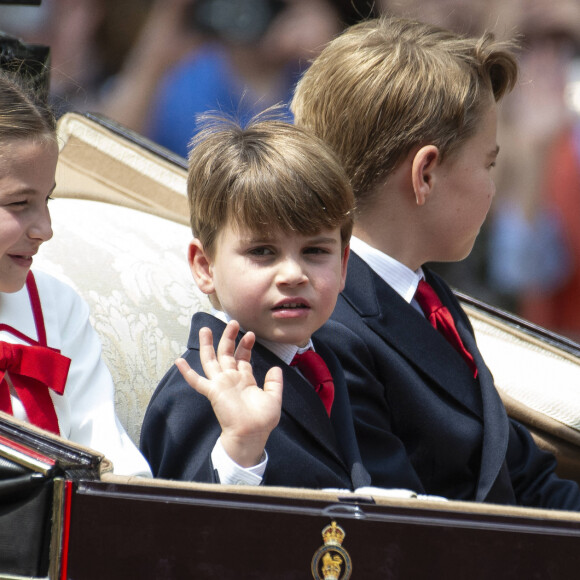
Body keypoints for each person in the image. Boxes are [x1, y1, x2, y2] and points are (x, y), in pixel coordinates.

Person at [291, 16, 580, 509]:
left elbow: (522, 475)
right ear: (425, 174)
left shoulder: (428, 299)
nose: (493, 186)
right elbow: (408, 525)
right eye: (488, 163)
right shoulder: (326, 328)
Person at [140, 114, 372, 490]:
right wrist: (240, 448)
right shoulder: (198, 390)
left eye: (315, 251)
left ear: (344, 264)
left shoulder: (330, 354)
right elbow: (178, 531)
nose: (293, 274)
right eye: (263, 251)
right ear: (205, 266)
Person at [0, 71, 151, 477]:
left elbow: (108, 453)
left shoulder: (57, 307)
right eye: (19, 203)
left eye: (46, 199)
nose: (45, 230)